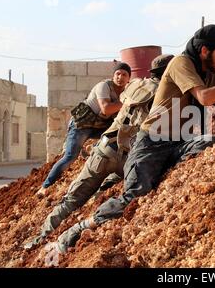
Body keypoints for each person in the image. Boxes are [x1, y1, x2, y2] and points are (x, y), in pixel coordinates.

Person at [55, 24, 215, 252]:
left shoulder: (209, 75)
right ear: (204, 51)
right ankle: (80, 227)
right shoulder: (182, 63)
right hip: (151, 144)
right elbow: (205, 98)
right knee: (135, 196)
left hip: (178, 144)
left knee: (211, 141)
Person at [24, 55, 174, 250]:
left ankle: (39, 239)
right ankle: (96, 205)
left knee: (73, 199)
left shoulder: (135, 85)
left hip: (105, 150)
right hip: (130, 157)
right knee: (109, 178)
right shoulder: (166, 94)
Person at [37, 63, 131, 197]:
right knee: (70, 157)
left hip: (99, 127)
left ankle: (93, 148)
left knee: (119, 132)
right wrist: (126, 102)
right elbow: (106, 108)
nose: (120, 77)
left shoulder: (125, 92)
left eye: (124, 75)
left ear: (129, 78)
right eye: (118, 74)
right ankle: (45, 186)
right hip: (81, 126)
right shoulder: (104, 86)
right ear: (113, 75)